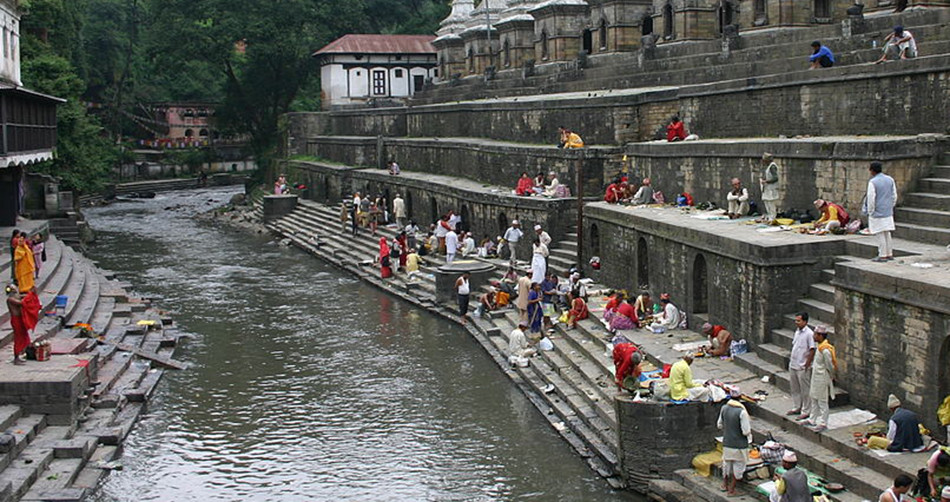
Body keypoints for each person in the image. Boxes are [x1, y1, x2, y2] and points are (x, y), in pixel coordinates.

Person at [718, 398, 752, 495]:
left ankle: (724, 484)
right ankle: (732, 490)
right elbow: (746, 431)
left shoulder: (724, 408)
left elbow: (719, 425)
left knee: (726, 464)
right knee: (738, 467)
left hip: (727, 443)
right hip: (739, 445)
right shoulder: (742, 412)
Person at [805, 325, 836, 432]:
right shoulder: (820, 347)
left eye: (815, 334)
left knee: (822, 401)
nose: (813, 336)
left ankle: (823, 422)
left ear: (820, 336)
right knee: (813, 398)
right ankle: (812, 419)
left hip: (822, 377)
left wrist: (831, 376)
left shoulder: (825, 350)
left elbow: (830, 366)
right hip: (815, 376)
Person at [865, 161, 898, 262]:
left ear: (872, 171)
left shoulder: (873, 182)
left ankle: (882, 254)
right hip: (887, 211)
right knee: (887, 233)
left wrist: (870, 211)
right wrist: (890, 206)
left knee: (880, 234)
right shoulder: (890, 179)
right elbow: (894, 195)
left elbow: (871, 198)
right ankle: (889, 253)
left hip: (877, 211)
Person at [788, 313, 815, 420]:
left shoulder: (809, 334)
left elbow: (812, 349)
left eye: (799, 321)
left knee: (805, 389)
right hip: (794, 363)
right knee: (795, 388)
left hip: (802, 366)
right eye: (796, 320)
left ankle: (806, 410)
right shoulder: (797, 332)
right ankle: (797, 406)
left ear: (805, 321)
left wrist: (807, 364)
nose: (796, 323)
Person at [6, 284, 38, 365]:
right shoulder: (10, 299)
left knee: (24, 336)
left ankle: (22, 354)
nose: (17, 289)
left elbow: (24, 296)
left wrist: (31, 293)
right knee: (18, 339)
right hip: (16, 320)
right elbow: (22, 303)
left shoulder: (16, 297)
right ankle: (16, 358)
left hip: (20, 320)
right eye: (15, 288)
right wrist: (30, 294)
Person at [760, 153, 780, 223]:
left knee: (771, 202)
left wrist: (766, 181)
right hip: (767, 188)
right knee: (766, 201)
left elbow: (775, 178)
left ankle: (773, 217)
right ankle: (769, 215)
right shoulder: (769, 166)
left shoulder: (772, 166)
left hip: (771, 188)